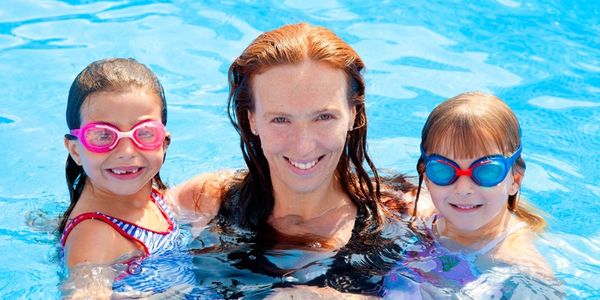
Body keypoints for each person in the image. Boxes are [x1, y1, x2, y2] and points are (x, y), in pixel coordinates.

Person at [171, 22, 418, 296]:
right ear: (252, 119)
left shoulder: (405, 212)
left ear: (353, 113)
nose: (303, 145)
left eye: (324, 117)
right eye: (280, 119)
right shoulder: (209, 199)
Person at [384, 92, 561, 299]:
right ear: (426, 176)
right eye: (443, 170)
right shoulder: (423, 213)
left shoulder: (521, 268)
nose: (463, 188)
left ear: (515, 180)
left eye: (486, 171)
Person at [58, 58, 208, 298]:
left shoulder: (153, 197)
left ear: (164, 142)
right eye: (103, 135)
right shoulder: (95, 237)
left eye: (144, 133)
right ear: (75, 150)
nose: (127, 151)